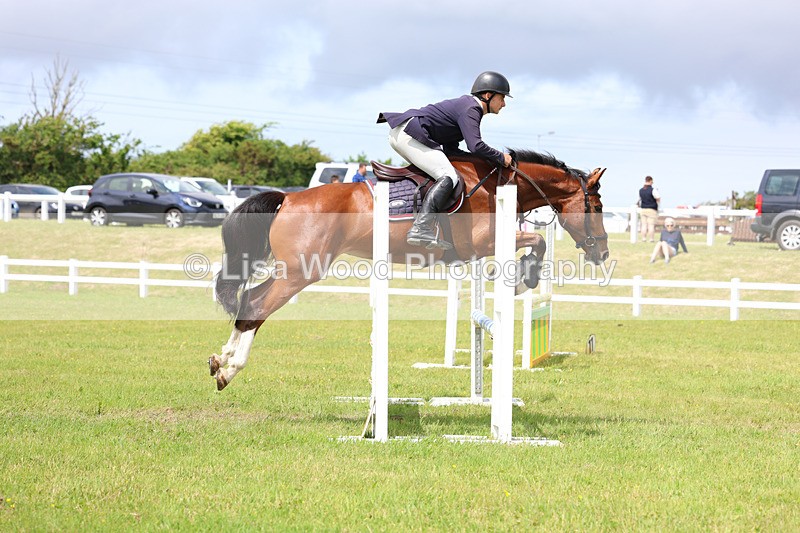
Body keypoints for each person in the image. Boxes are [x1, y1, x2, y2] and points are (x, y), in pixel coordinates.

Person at [377, 71, 513, 249]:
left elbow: (451, 150)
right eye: (502, 98)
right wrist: (500, 157)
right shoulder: (472, 109)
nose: (504, 104)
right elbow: (475, 146)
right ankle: (420, 228)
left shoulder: (467, 107)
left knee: (440, 172)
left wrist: (482, 162)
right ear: (488, 95)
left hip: (404, 132)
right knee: (448, 176)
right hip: (409, 134)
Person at [638, 176, 661, 242]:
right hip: (651, 209)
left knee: (644, 225)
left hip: (643, 209)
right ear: (650, 181)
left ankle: (643, 238)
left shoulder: (641, 190)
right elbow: (658, 198)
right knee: (651, 225)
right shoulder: (653, 190)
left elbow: (640, 199)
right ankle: (651, 239)